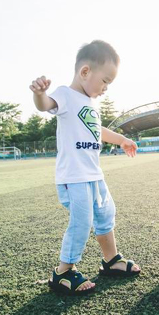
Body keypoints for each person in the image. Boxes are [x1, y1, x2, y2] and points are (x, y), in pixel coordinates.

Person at [30, 40, 141, 295]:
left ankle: (111, 260)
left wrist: (121, 140)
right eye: (105, 81)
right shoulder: (65, 95)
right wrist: (39, 94)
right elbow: (46, 104)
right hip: (74, 176)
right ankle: (63, 272)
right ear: (85, 72)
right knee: (82, 221)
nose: (105, 88)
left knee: (106, 214)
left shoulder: (90, 104)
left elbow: (97, 130)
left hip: (94, 174)